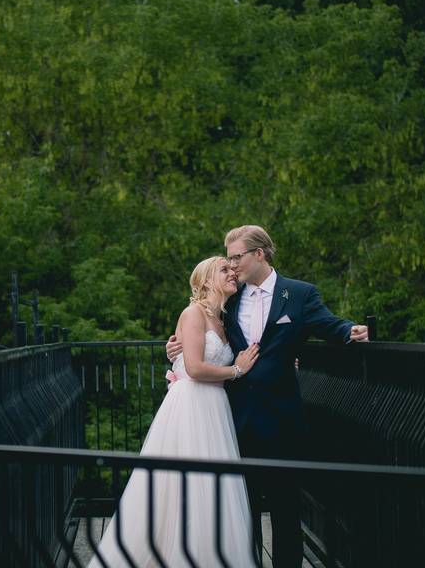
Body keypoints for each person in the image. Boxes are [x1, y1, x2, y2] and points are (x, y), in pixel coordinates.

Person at [166, 225, 369, 568]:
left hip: (280, 418)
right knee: (237, 507)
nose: (231, 266)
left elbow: (327, 323)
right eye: (227, 259)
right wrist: (173, 349)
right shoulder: (229, 296)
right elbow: (200, 333)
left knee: (285, 507)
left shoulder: (300, 294)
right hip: (231, 416)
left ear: (259, 254)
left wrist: (351, 330)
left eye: (236, 257)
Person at [88, 257, 262, 567]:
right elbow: (194, 368)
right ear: (206, 281)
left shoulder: (225, 319)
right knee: (183, 482)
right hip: (191, 405)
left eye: (232, 268)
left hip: (216, 407)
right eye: (224, 269)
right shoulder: (192, 313)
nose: (232, 273)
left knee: (213, 487)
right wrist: (237, 369)